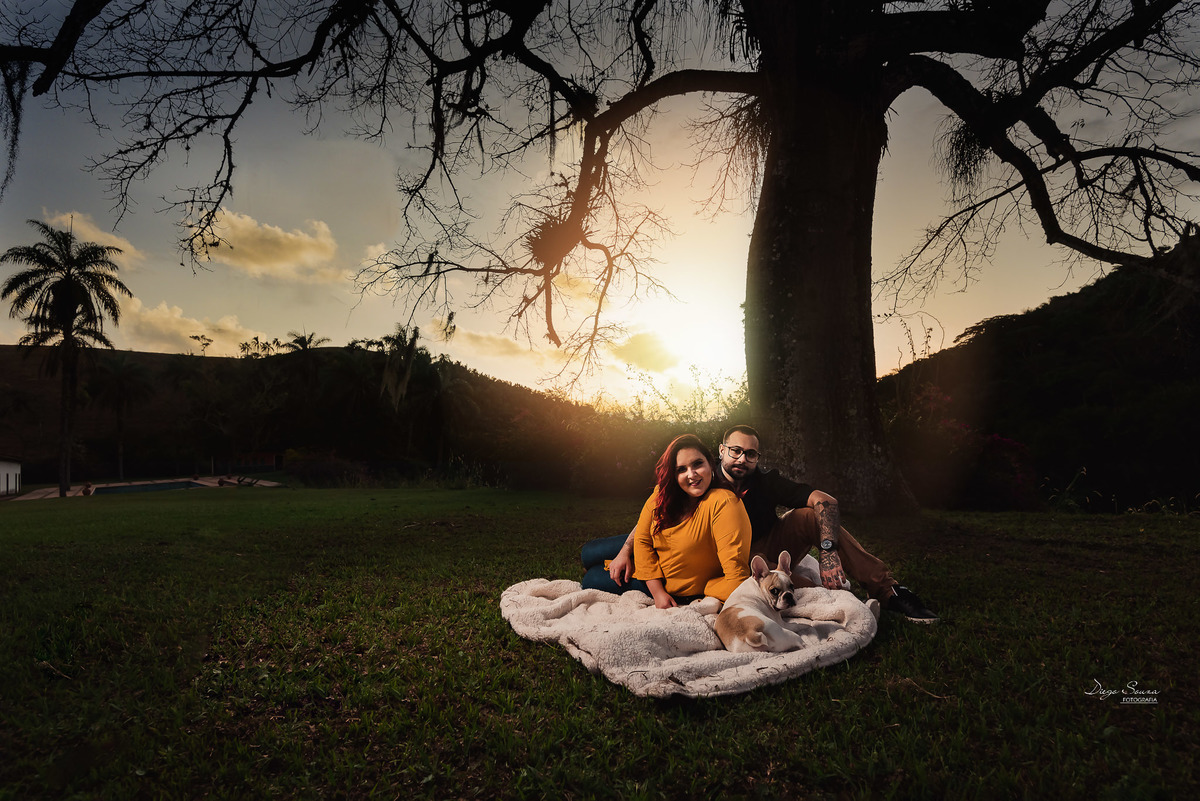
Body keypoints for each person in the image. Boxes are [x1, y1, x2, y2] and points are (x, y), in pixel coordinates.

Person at [594, 425, 938, 623]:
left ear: (758, 458)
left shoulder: (765, 481)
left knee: (810, 515)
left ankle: (888, 590)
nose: (742, 458)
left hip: (761, 549)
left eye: (751, 454)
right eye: (735, 451)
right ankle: (802, 585)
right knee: (597, 556)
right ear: (720, 451)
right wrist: (627, 550)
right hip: (697, 552)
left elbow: (825, 501)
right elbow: (657, 519)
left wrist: (829, 553)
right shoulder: (700, 477)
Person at [581, 434, 752, 608]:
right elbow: (642, 539)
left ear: (710, 463)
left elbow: (737, 579)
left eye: (697, 464)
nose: (691, 475)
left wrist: (661, 592)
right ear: (673, 474)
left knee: (591, 579)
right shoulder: (664, 494)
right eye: (681, 469)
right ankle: (617, 562)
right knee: (588, 552)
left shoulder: (724, 502)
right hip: (654, 550)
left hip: (671, 581)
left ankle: (609, 567)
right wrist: (625, 552)